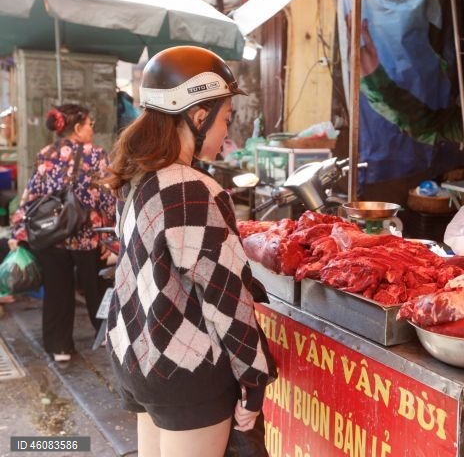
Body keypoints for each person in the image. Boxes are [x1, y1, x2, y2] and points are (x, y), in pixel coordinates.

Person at [102, 46, 277, 457]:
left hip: (138, 358)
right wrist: (254, 384)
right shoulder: (191, 189)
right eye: (226, 120)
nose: (226, 134)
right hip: (186, 371)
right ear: (198, 117)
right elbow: (227, 300)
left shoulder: (137, 177)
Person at [9, 104, 116, 361]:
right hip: (88, 237)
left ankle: (60, 349)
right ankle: (109, 338)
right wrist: (111, 235)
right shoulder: (97, 155)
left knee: (57, 292)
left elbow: (33, 195)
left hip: (53, 236)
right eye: (90, 124)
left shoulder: (45, 153)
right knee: (97, 289)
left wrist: (18, 231)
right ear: (78, 128)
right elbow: (107, 199)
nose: (93, 129)